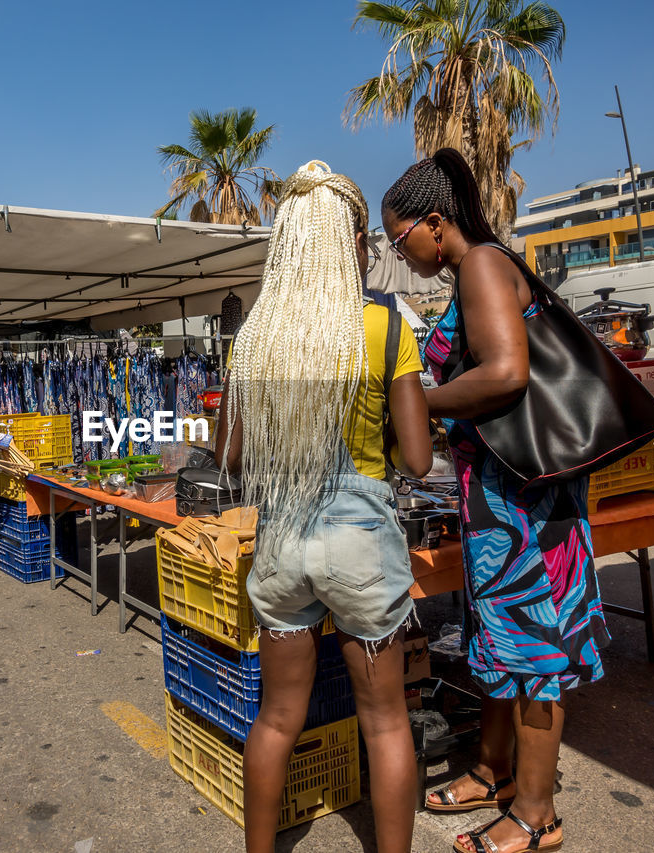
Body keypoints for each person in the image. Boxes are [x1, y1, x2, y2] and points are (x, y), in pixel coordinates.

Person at [382, 149, 609, 853]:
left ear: (434, 222)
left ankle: (537, 815)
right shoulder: (476, 269)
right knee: (503, 643)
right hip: (505, 504)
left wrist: (413, 400)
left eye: (400, 239)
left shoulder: (481, 263)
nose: (400, 252)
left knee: (534, 649)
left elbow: (507, 373)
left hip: (527, 506)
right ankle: (494, 770)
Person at [214, 161, 433, 853]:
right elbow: (421, 460)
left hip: (283, 540)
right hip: (362, 542)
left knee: (277, 719)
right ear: (352, 239)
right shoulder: (384, 324)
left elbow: (232, 456)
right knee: (386, 723)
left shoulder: (257, 336)